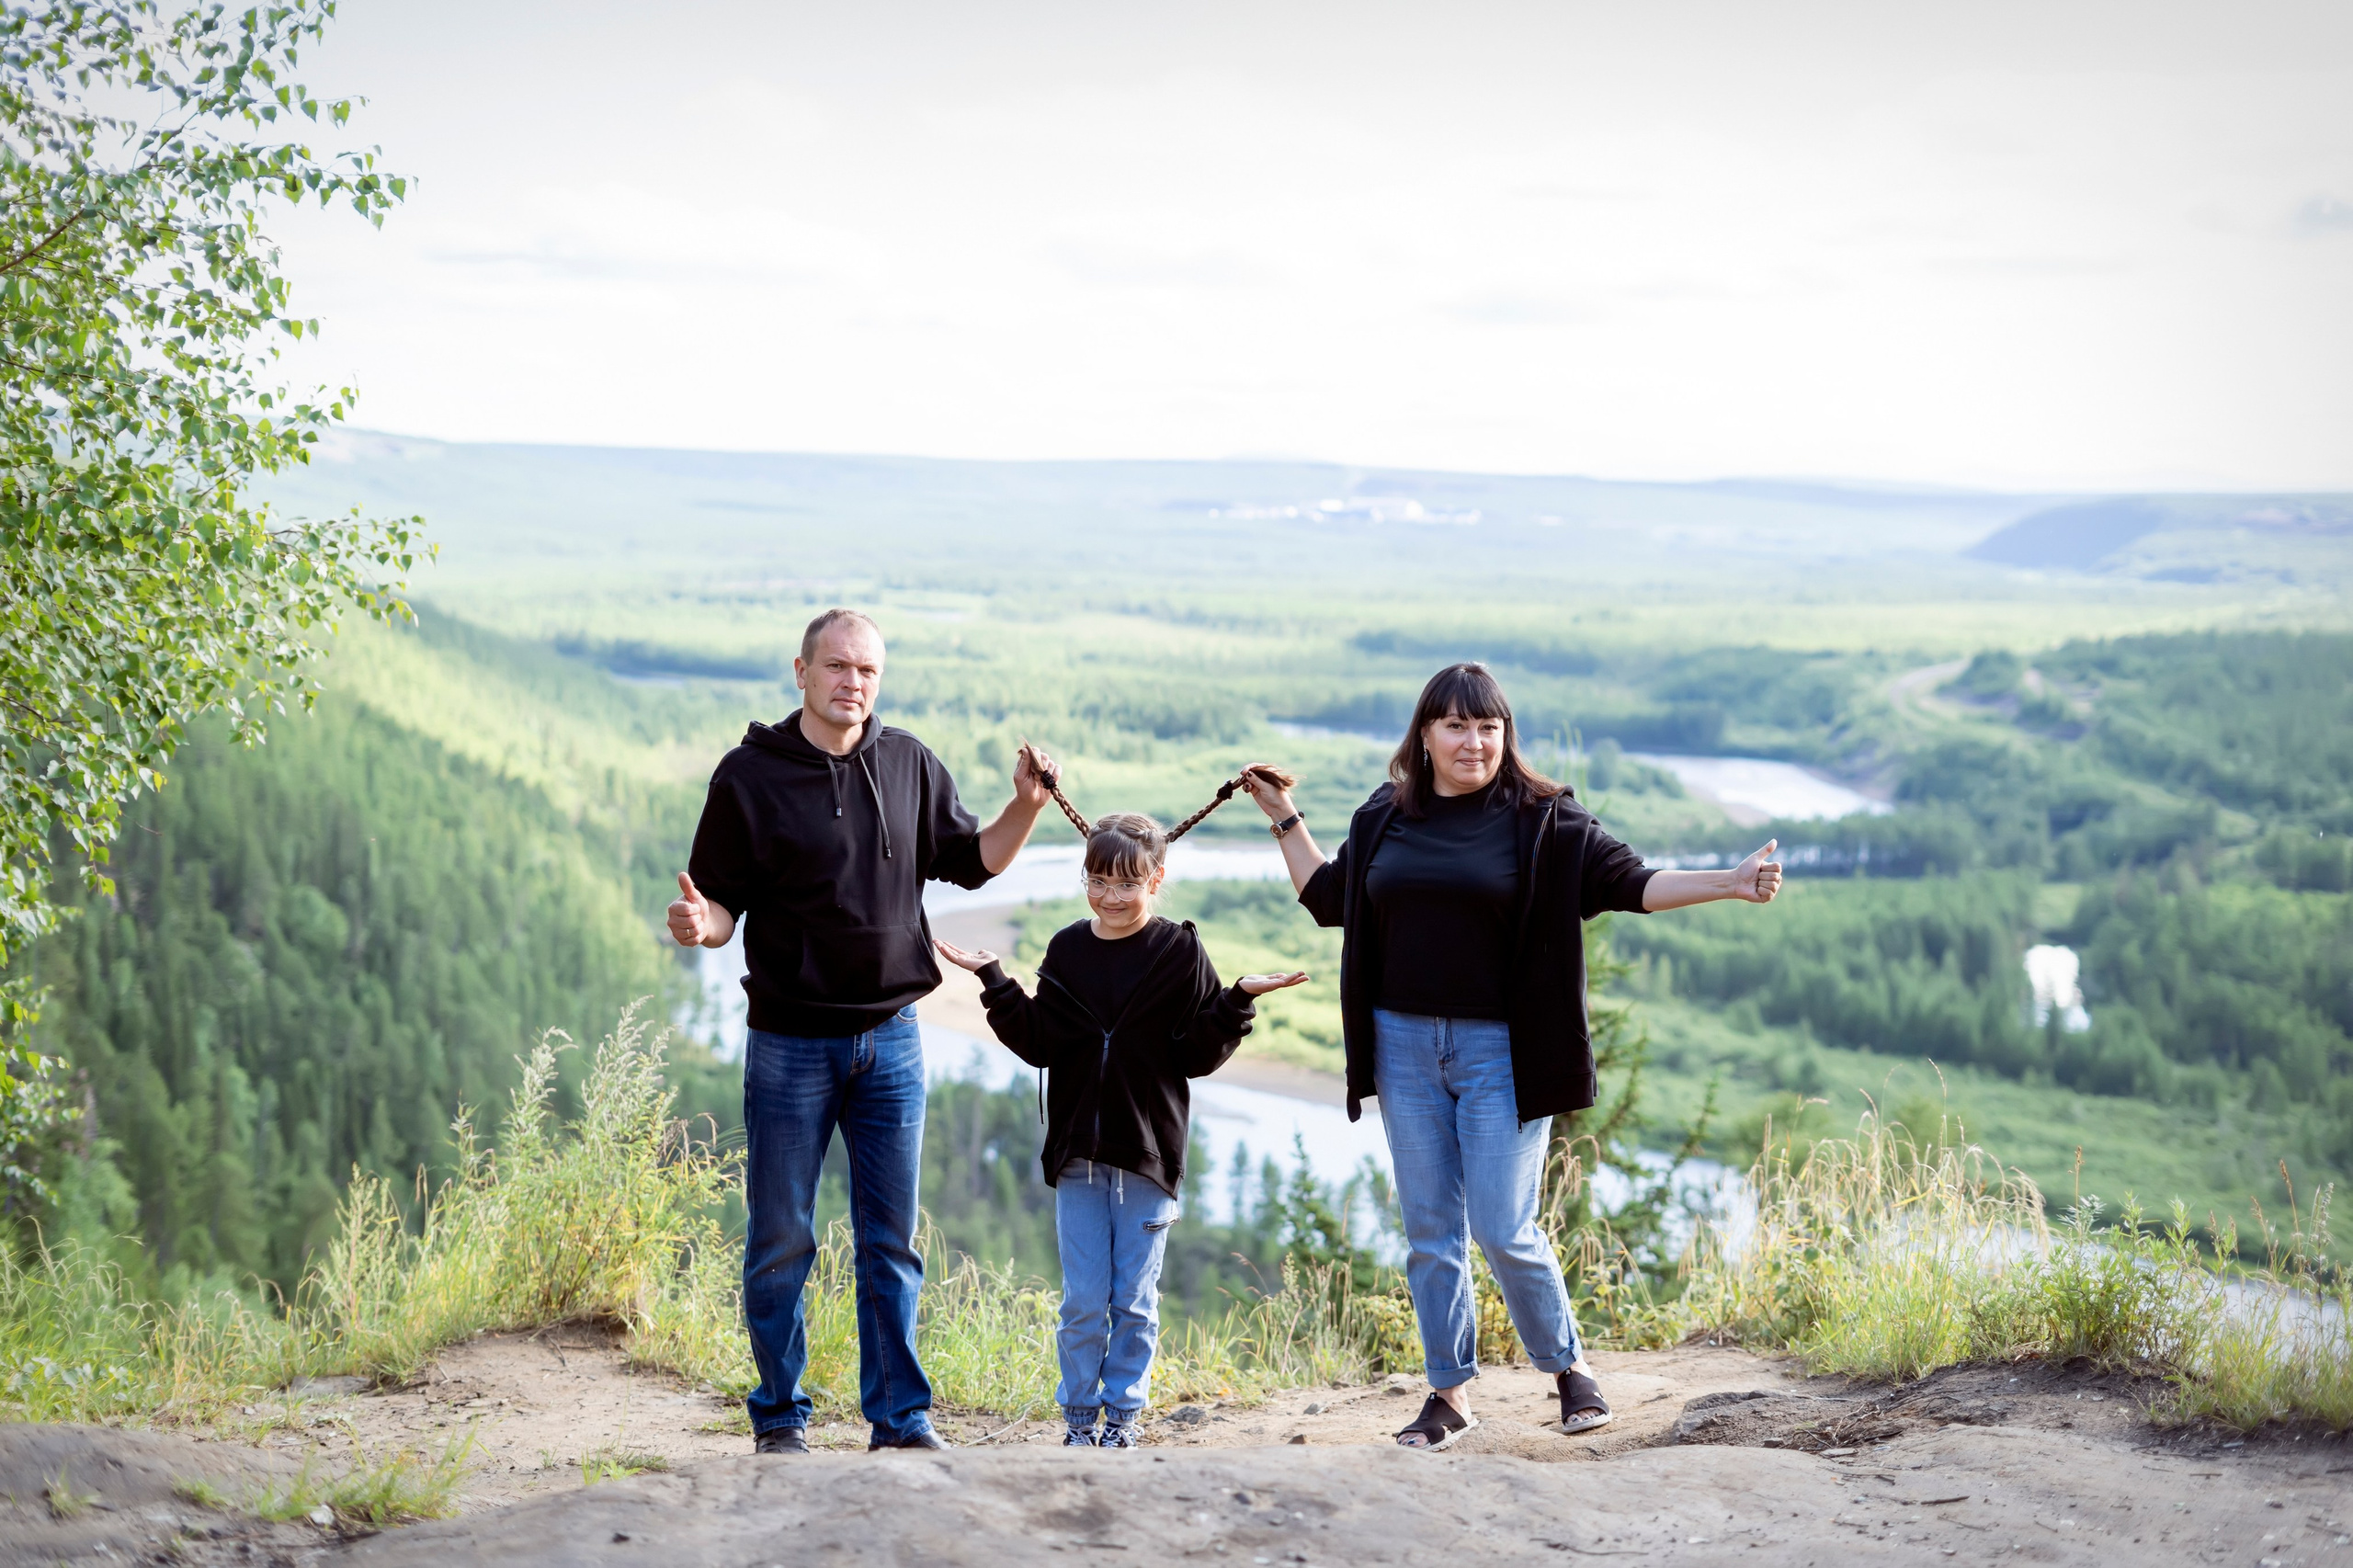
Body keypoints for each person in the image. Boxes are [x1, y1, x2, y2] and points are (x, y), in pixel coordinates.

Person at [1238, 663, 1781, 1451]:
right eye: (1456, 726)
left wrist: (1729, 883)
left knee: (1501, 1223)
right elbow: (1329, 899)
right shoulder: (1385, 815)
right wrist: (1284, 814)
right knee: (1430, 1230)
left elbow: (1634, 883)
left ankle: (1567, 1369)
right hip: (1403, 1044)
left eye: (1488, 727)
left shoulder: (1544, 821)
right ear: (1423, 736)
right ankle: (1449, 1395)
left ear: (1506, 735)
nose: (1473, 741)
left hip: (1503, 1052)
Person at [666, 607, 1057, 1455]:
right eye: (837, 667)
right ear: (800, 672)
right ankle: (779, 1418)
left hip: (893, 1038)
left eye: (868, 671)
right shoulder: (748, 776)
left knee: (891, 1243)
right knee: (781, 1237)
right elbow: (724, 907)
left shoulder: (908, 760)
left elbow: (974, 858)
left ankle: (900, 1421)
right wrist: (702, 926)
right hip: (790, 1043)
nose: (853, 683)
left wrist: (1024, 806)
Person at [934, 767, 1308, 1450]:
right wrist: (994, 980)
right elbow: (1042, 1041)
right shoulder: (1069, 948)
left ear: (1155, 881)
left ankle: (1124, 1416)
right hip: (1078, 1154)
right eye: (1099, 881)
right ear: (1086, 877)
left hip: (1147, 1157)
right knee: (1082, 1303)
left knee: (1133, 1302)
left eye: (1127, 883)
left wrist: (1238, 999)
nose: (1111, 895)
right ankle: (1079, 1420)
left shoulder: (1178, 949)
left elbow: (1195, 1053)